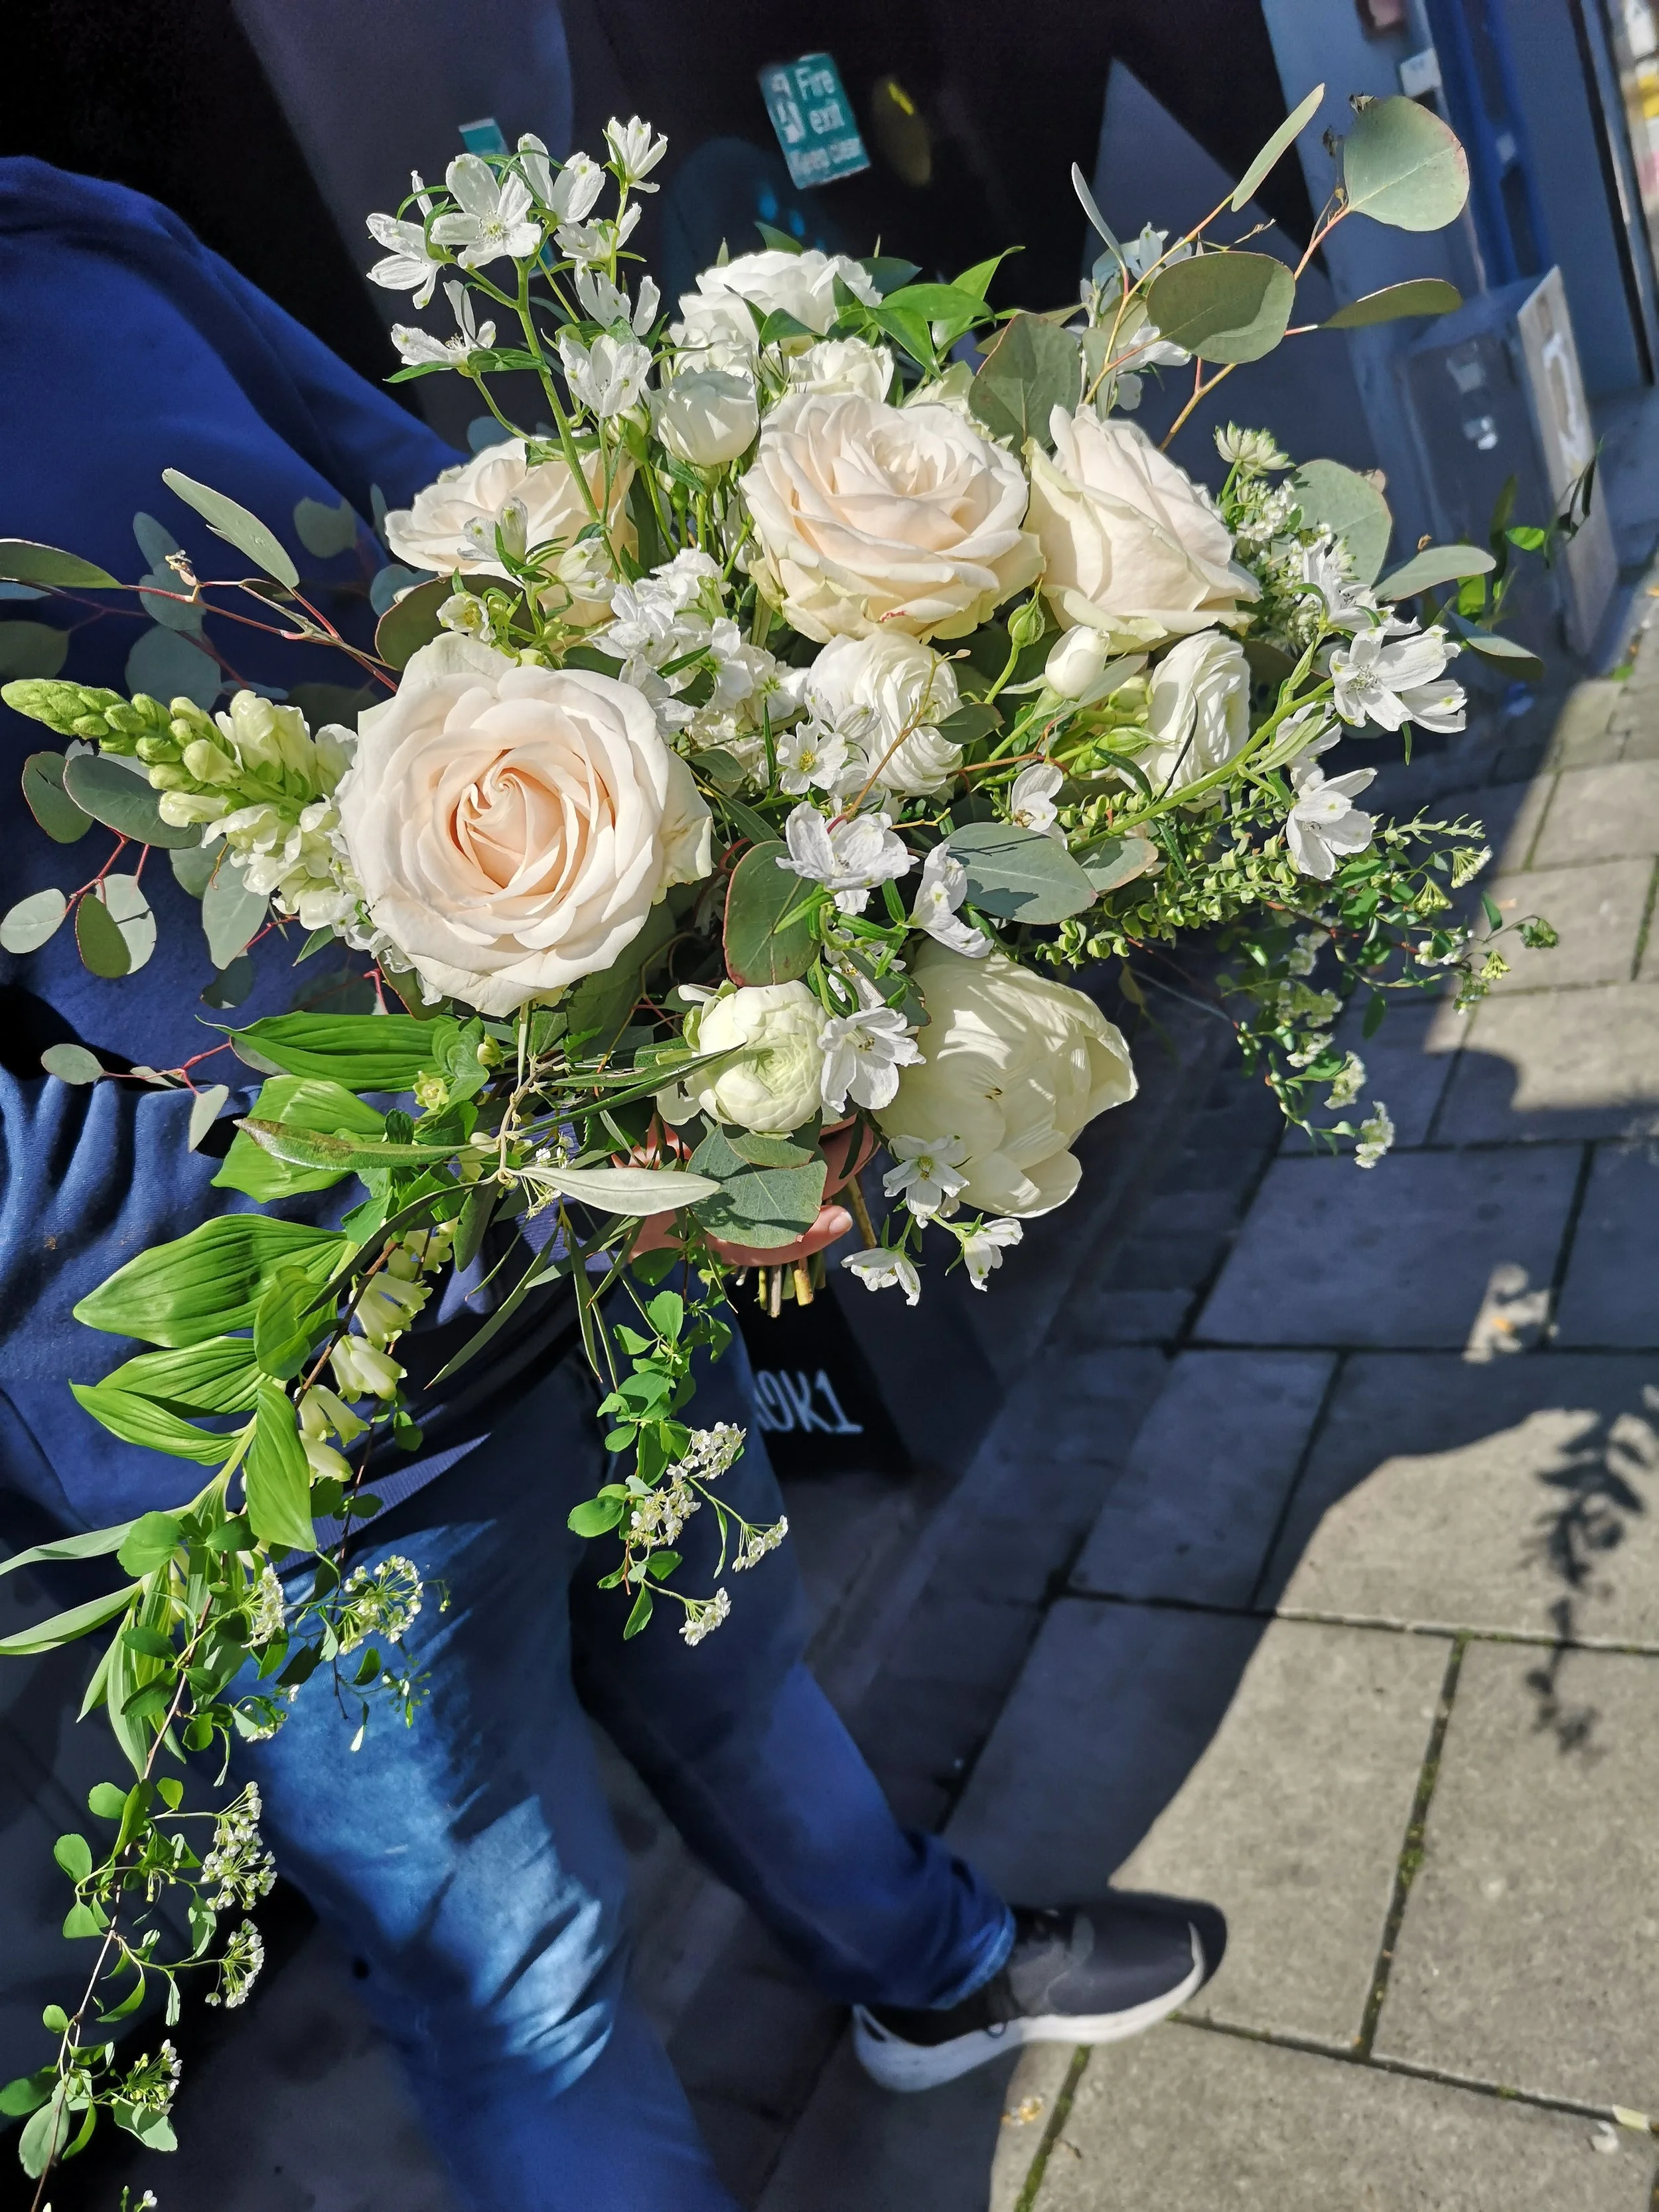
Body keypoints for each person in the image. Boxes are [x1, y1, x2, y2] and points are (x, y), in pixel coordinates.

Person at [0, 158, 1212, 2209]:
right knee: (521, 1975)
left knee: (737, 1661)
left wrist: (752, 944)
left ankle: (930, 1974)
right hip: (257, 1386)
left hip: (584, 1170)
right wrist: (218, 1172)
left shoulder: (57, 225)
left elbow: (460, 521)